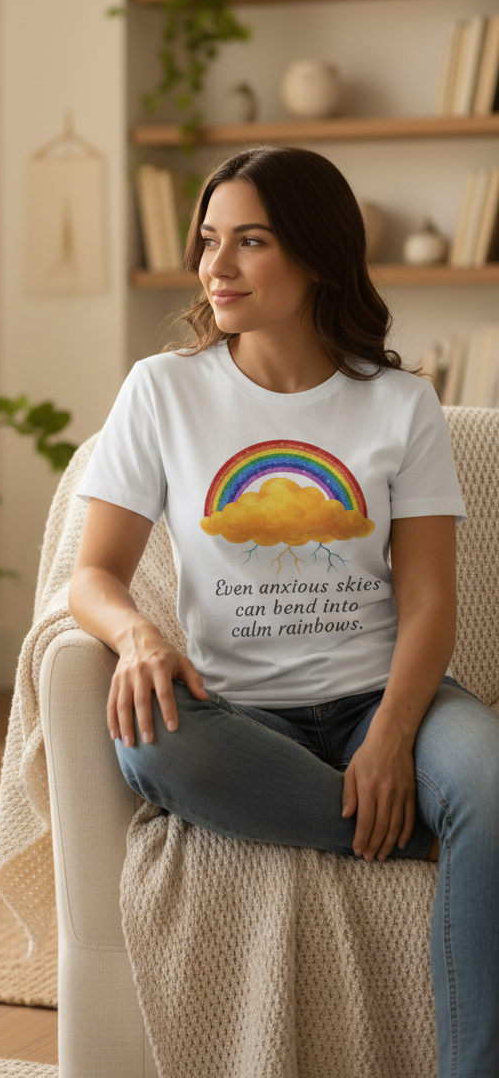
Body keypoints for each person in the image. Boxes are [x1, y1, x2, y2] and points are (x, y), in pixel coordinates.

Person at [68, 146, 499, 1078]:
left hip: (386, 698)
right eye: (209, 241)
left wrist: (390, 736)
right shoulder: (162, 391)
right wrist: (138, 634)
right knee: (151, 742)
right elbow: (92, 575)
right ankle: (438, 842)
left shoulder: (400, 402)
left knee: (492, 784)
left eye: (250, 242)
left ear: (314, 253)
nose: (216, 268)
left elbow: (430, 600)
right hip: (236, 717)